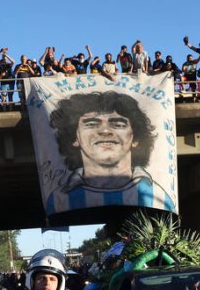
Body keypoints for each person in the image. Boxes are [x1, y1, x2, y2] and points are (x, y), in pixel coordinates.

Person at [43, 91, 174, 215]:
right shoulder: (58, 199)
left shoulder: (158, 197)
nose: (105, 131)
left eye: (118, 124)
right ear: (74, 137)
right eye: (91, 124)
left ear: (136, 138)